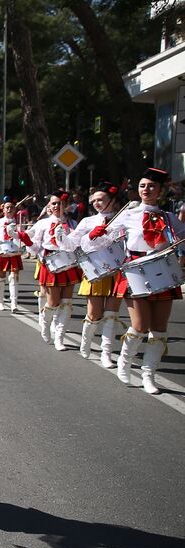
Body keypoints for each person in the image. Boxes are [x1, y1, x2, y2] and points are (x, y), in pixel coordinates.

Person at [97, 167, 185, 394]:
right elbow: (104, 240)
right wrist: (98, 233)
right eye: (143, 185)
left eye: (152, 186)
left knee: (159, 330)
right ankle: (125, 362)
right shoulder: (128, 215)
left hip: (162, 272)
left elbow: (182, 238)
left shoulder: (169, 217)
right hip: (135, 272)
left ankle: (149, 374)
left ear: (161, 190)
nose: (147, 189)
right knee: (140, 325)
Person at [68, 183, 126, 368]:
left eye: (101, 199)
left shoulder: (123, 220)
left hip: (117, 272)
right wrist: (89, 236)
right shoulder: (87, 222)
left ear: (113, 201)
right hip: (95, 270)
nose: (97, 203)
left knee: (111, 314)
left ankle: (106, 353)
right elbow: (72, 246)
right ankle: (86, 343)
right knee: (94, 314)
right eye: (94, 200)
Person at [27, 193, 81, 350]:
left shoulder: (72, 223)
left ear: (66, 205)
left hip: (69, 263)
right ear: (49, 207)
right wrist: (27, 242)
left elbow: (77, 244)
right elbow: (36, 246)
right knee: (53, 302)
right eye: (54, 204)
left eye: (61, 203)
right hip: (51, 263)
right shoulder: (43, 224)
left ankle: (60, 337)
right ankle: (44, 323)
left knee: (67, 303)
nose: (57, 206)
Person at [0, 199, 27, 313]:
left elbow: (24, 237)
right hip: (1, 251)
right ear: (3, 209)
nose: (9, 209)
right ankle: (0, 301)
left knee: (14, 278)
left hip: (14, 252)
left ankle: (14, 303)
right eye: (7, 207)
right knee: (1, 278)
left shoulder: (20, 222)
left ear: (15, 209)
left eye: (11, 207)